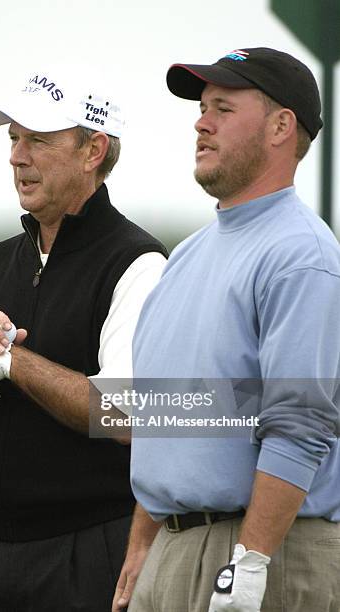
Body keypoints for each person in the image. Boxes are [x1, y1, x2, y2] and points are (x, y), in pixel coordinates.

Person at [0, 69, 167, 611]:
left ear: (92, 150)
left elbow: (122, 415)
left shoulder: (137, 264)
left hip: (89, 548)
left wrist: (14, 363)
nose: (16, 156)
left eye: (39, 140)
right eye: (13, 138)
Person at [127, 48, 340, 612]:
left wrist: (250, 563)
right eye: (202, 108)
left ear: (280, 127)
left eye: (223, 107)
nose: (201, 122)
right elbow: (168, 414)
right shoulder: (187, 257)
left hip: (267, 551)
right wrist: (143, 544)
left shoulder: (302, 255)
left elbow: (300, 423)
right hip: (173, 553)